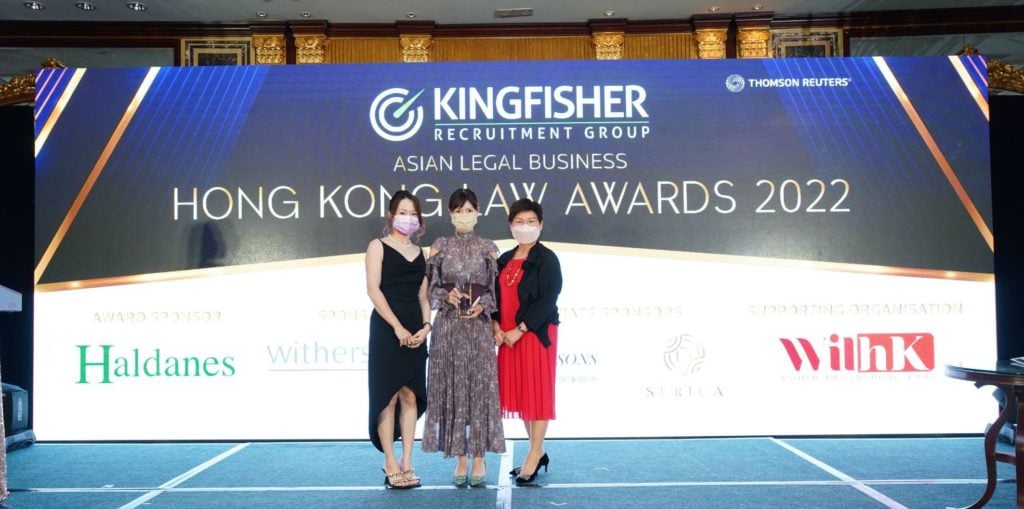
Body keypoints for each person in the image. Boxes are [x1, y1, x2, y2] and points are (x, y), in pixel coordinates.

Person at [422, 188, 505, 487]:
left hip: (479, 329)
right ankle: (459, 457)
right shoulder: (439, 245)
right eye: (458, 210)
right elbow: (430, 290)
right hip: (447, 329)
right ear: (450, 214)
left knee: (479, 390)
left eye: (469, 210)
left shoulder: (488, 248)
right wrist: (447, 295)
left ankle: (479, 456)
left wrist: (484, 305)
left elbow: (497, 293)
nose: (464, 215)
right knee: (454, 388)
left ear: (478, 212)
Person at [491, 198, 562, 486]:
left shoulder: (547, 258)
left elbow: (548, 299)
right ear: (510, 226)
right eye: (519, 222)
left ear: (541, 225)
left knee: (538, 392)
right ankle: (538, 450)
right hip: (506, 337)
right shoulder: (503, 260)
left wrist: (520, 329)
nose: (525, 227)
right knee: (522, 395)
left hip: (534, 334)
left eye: (531, 222)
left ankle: (533, 454)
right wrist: (495, 326)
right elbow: (492, 298)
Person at [364, 190, 431, 489]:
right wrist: (397, 327)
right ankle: (389, 461)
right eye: (402, 212)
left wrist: (426, 326)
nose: (408, 218)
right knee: (388, 396)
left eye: (413, 213)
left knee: (409, 395)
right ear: (391, 216)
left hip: (416, 329)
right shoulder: (377, 247)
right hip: (387, 329)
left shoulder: (423, 254)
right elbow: (373, 290)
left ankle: (408, 462)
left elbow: (424, 296)